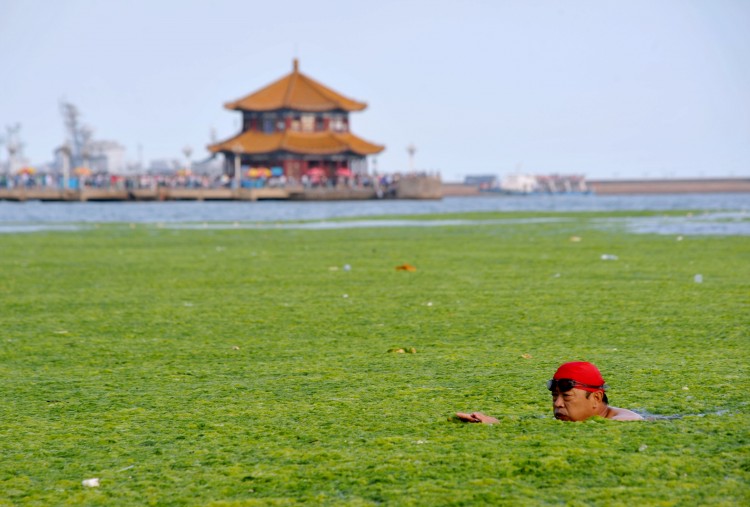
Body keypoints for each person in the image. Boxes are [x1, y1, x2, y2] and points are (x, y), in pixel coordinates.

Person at [457, 361, 643, 423]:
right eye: (554, 396)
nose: (557, 404)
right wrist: (494, 423)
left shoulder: (624, 422)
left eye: (566, 396)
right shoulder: (580, 422)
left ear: (596, 398)